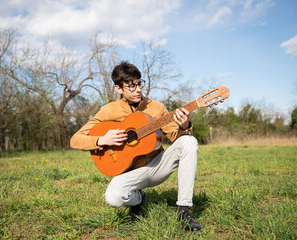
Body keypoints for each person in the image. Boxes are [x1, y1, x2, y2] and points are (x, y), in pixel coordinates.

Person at [70, 61, 202, 232]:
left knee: (189, 141)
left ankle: (184, 211)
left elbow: (175, 137)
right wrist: (101, 140)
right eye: (131, 86)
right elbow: (75, 139)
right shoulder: (108, 111)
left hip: (158, 165)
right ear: (118, 89)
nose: (138, 89)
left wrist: (184, 126)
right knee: (113, 198)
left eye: (139, 84)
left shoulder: (156, 107)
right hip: (131, 171)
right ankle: (139, 199)